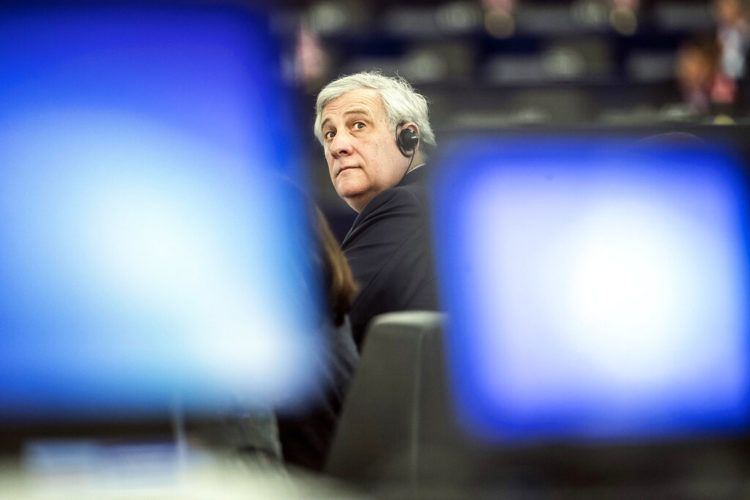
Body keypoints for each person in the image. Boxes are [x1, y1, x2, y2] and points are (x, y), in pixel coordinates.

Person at [314, 72, 440, 349]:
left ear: (408, 137)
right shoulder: (436, 199)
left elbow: (320, 320)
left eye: (358, 125)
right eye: (329, 133)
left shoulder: (405, 206)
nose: (337, 146)